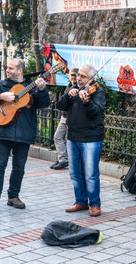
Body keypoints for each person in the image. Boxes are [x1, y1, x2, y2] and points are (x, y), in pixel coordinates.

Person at [0, 58, 50, 210]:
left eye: (11, 68)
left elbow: (44, 103)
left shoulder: (30, 87)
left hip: (24, 133)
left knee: (19, 167)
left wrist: (42, 89)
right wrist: (1, 96)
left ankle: (13, 196)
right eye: (7, 67)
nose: (7, 70)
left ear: (20, 70)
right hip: (3, 132)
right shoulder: (0, 85)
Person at [56, 64, 105, 217]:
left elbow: (96, 112)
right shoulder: (72, 89)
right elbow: (60, 106)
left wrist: (87, 102)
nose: (79, 78)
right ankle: (81, 201)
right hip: (73, 137)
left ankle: (95, 204)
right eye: (78, 75)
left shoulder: (98, 92)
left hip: (91, 138)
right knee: (75, 173)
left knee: (90, 174)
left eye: (83, 76)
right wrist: (67, 96)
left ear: (91, 78)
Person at [50, 67, 78, 170]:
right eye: (72, 75)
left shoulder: (78, 88)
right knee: (57, 137)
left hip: (71, 118)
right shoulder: (68, 86)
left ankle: (65, 160)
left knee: (68, 139)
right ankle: (62, 159)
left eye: (75, 75)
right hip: (64, 116)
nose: (73, 77)